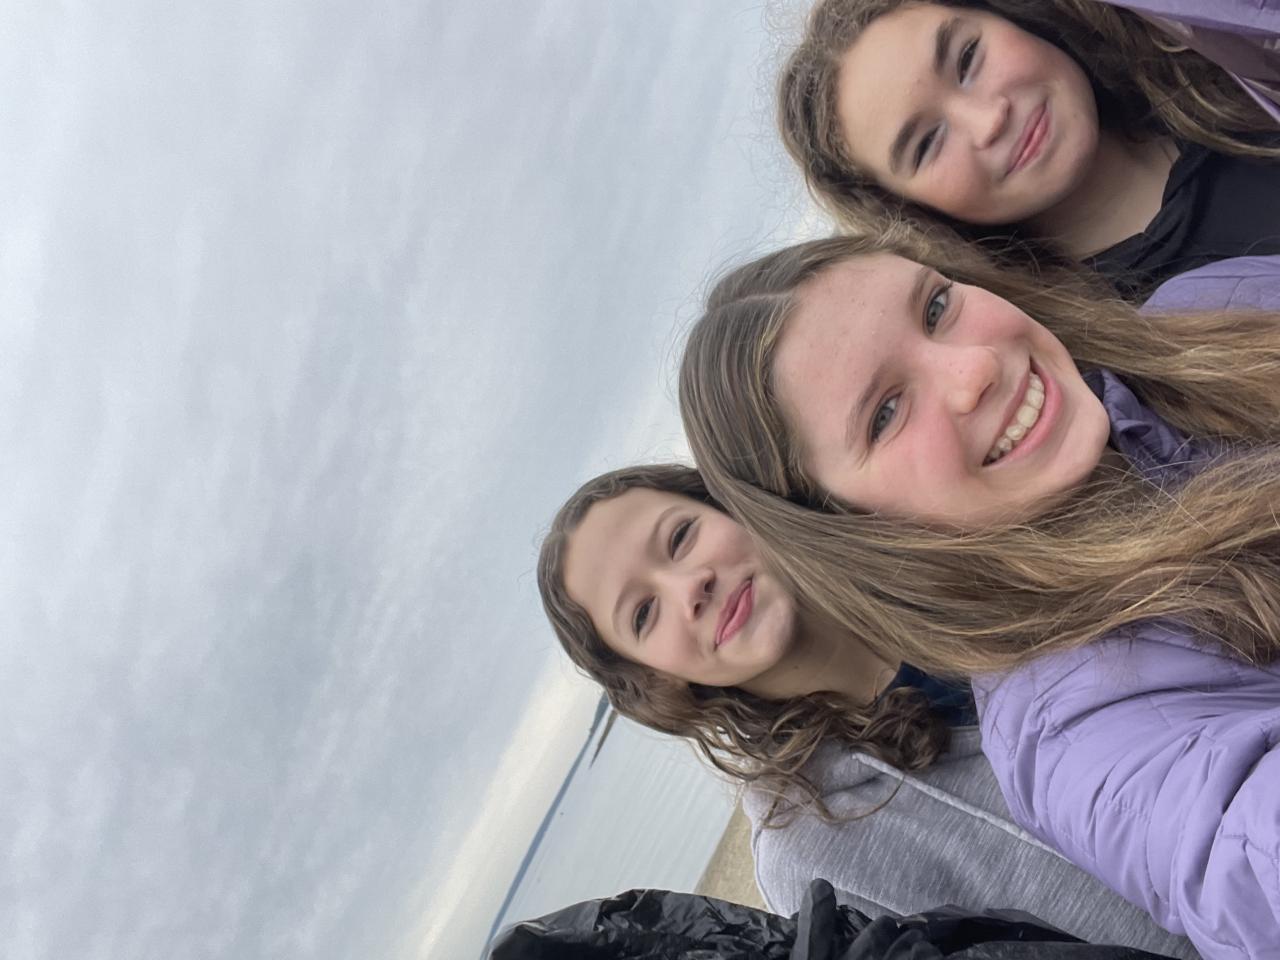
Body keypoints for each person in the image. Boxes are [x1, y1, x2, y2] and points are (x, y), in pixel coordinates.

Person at [677, 232, 1280, 957]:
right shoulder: (1077, 728)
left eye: (936, 308)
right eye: (885, 414)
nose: (976, 369)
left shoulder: (1208, 307)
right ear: (847, 534)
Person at [537, 463, 1196, 957]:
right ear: (654, 680)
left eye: (681, 537)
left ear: (730, 507)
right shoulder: (808, 856)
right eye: (644, 613)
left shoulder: (964, 556)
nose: (691, 587)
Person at [780, 0, 1280, 296]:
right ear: (907, 209)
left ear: (1008, 14)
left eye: (968, 58)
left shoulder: (1236, 55)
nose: (990, 119)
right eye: (927, 143)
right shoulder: (1104, 374)